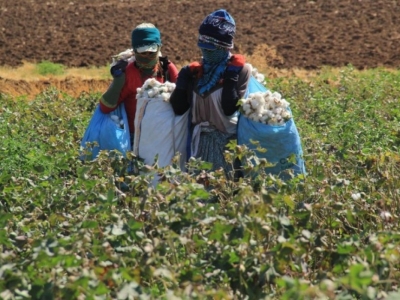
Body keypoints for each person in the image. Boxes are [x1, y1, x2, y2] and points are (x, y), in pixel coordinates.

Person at [169, 9, 251, 179]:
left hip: (226, 147)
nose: (206, 53)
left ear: (224, 46)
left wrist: (230, 80)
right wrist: (182, 82)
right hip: (198, 146)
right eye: (203, 47)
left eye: (211, 49)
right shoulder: (196, 72)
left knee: (223, 195)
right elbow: (179, 108)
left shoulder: (240, 70)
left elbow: (230, 109)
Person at [99, 23, 179, 144]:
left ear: (159, 48)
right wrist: (118, 82)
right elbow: (105, 108)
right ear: (135, 50)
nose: (147, 57)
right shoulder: (128, 73)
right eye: (143, 53)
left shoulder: (167, 69)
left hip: (163, 137)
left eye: (151, 53)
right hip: (135, 138)